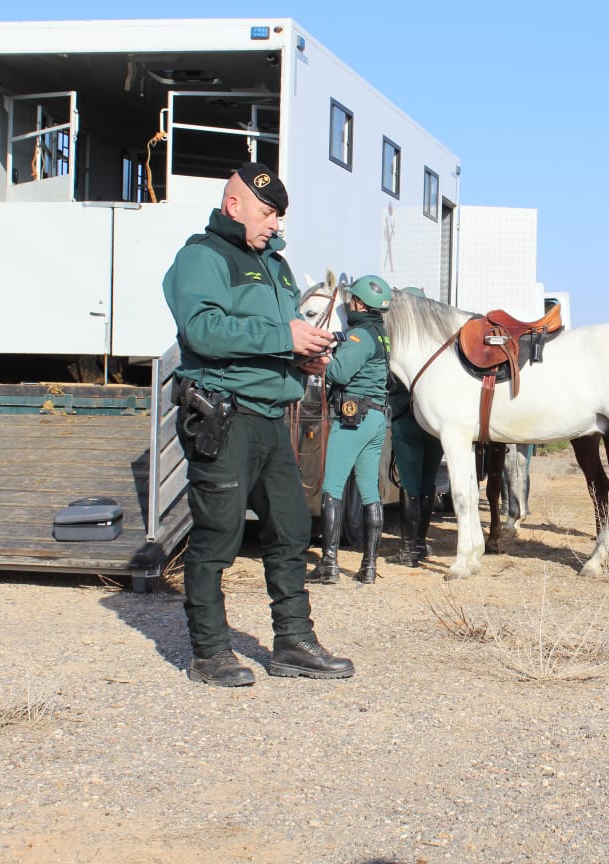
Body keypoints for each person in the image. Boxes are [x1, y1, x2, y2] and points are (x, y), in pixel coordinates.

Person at [162, 162, 354, 687]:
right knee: (218, 535)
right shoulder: (202, 256)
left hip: (272, 417)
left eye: (279, 216)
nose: (276, 225)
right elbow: (202, 330)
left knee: (292, 531)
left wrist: (303, 359)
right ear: (234, 205)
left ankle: (293, 644)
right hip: (224, 416)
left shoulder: (277, 266)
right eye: (268, 213)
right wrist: (283, 338)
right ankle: (210, 652)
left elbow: (276, 337)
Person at [311, 275, 393, 585]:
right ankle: (368, 566)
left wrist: (322, 359)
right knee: (370, 492)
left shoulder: (359, 335)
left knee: (333, 487)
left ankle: (329, 565)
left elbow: (340, 371)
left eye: (351, 300)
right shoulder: (381, 334)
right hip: (374, 419)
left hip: (352, 417)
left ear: (360, 303)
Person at [386, 287, 445, 567]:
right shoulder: (435, 350)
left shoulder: (400, 351)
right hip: (432, 422)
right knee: (427, 481)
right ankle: (419, 544)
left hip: (406, 419)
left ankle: (409, 548)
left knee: (410, 481)